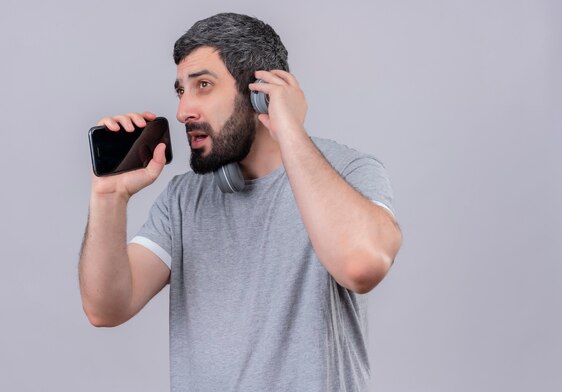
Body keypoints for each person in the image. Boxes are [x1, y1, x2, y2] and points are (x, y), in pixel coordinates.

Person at [79, 12, 402, 392]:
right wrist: (108, 197)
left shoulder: (350, 171)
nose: (184, 111)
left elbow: (362, 266)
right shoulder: (184, 199)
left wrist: (289, 129)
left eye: (203, 85)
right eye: (181, 90)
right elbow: (106, 307)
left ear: (261, 94)